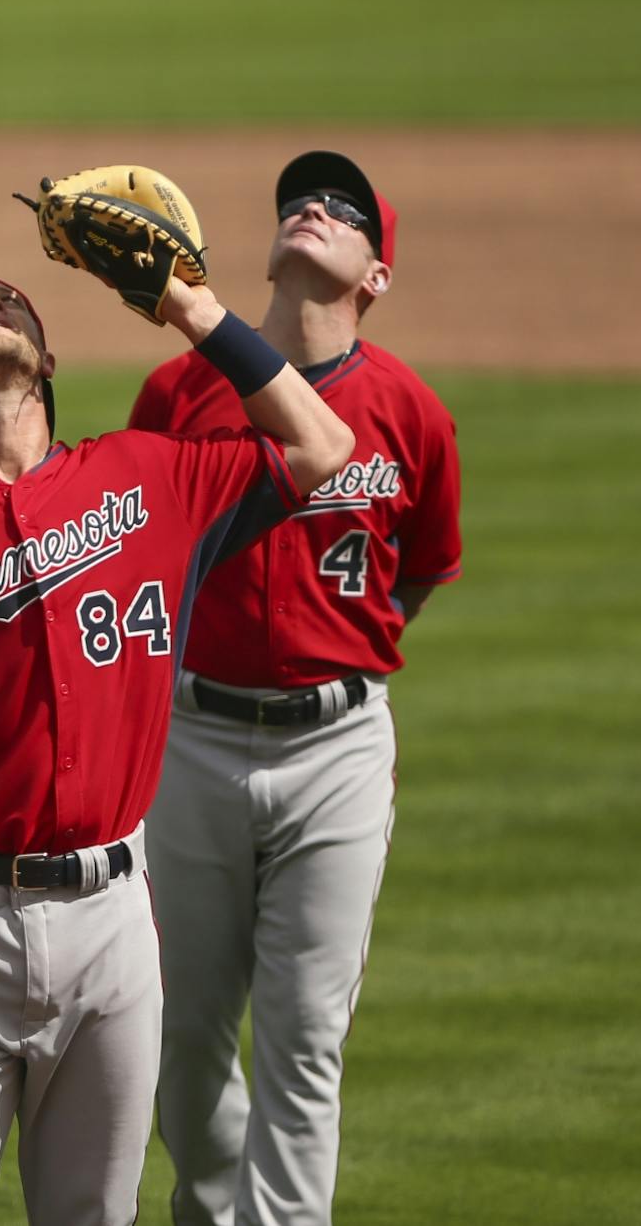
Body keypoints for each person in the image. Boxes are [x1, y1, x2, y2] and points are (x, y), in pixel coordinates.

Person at [0, 261, 355, 1226]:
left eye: (13, 304)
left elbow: (323, 442)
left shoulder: (147, 473)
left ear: (48, 359)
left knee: (94, 1214)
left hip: (114, 920)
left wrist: (196, 313)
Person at [128, 153, 462, 1226]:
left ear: (376, 273)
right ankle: (215, 1206)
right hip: (192, 739)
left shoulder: (411, 409)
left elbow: (420, 565)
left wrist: (341, 659)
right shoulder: (179, 392)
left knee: (306, 1035)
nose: (314, 209)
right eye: (300, 202)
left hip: (336, 752)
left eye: (346, 212)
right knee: (180, 1036)